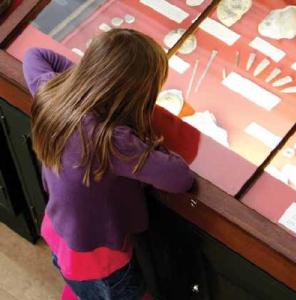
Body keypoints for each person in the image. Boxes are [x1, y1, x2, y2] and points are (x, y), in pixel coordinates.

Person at [22, 29, 194, 300]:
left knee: (83, 287)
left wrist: (82, 85)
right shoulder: (113, 141)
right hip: (99, 261)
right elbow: (180, 177)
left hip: (58, 233)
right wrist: (147, 141)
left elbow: (34, 55)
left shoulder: (52, 95)